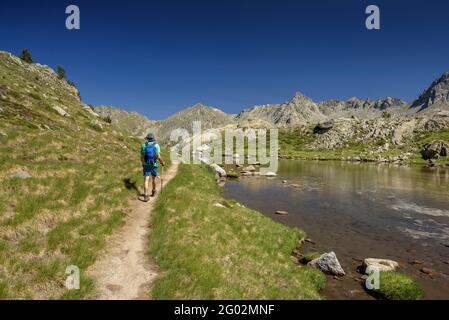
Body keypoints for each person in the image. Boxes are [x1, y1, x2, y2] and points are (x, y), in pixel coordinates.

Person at [139, 133, 165, 202]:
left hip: (146, 165)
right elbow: (158, 156)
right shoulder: (156, 145)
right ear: (153, 139)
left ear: (147, 139)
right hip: (154, 165)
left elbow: (141, 157)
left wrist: (142, 163)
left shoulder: (143, 145)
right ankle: (153, 191)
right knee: (154, 179)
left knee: (146, 180)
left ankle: (145, 195)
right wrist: (162, 162)